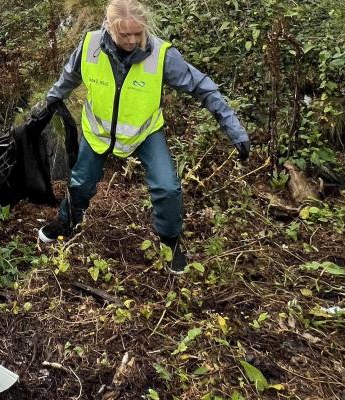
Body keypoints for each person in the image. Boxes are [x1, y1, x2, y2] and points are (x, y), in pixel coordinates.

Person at [37, 0, 250, 273]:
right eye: (124, 34)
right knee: (80, 183)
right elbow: (69, 77)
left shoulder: (161, 55)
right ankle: (66, 222)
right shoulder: (90, 46)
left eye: (138, 33)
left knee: (167, 187)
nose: (132, 40)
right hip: (98, 131)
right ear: (109, 27)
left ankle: (170, 243)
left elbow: (202, 87)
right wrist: (49, 103)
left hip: (145, 131)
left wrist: (234, 129)